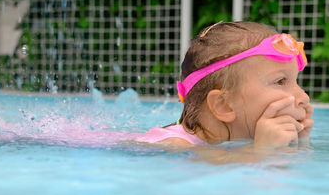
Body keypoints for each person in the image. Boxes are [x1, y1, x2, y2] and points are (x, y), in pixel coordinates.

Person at [134, 21, 314, 149]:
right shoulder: (172, 147)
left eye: (295, 81)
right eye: (280, 81)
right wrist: (262, 151)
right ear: (223, 105)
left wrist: (299, 143)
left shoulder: (233, 142)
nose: (303, 97)